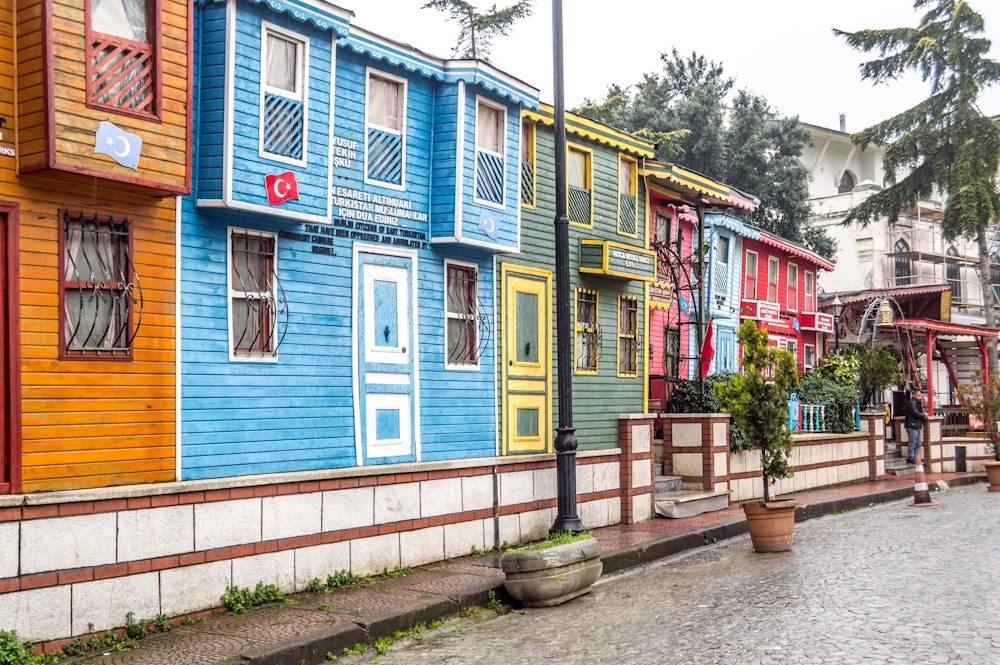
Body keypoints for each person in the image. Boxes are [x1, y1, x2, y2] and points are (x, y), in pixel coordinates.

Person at [904, 389, 927, 465]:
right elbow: (915, 413)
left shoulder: (916, 403)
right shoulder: (912, 403)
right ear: (915, 395)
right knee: (913, 443)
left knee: (918, 443)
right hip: (912, 425)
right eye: (919, 396)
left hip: (915, 425)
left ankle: (916, 457)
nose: (920, 398)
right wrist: (924, 415)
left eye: (921, 396)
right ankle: (911, 458)